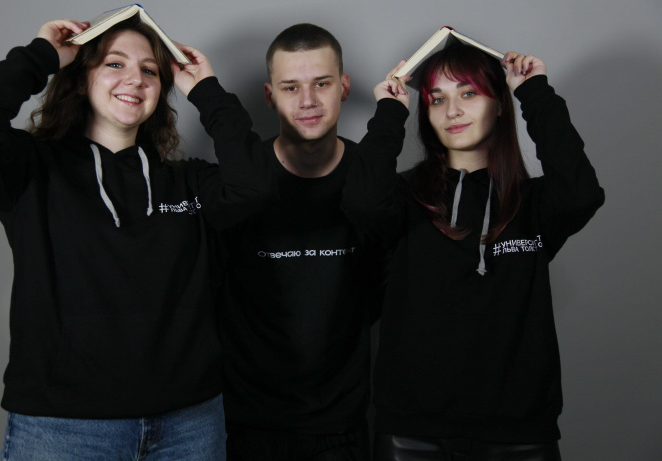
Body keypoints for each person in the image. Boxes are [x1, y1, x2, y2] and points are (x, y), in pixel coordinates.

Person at [0, 15, 272, 460]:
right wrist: (41, 56)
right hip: (64, 429)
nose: (135, 78)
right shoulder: (32, 170)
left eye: (150, 70)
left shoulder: (187, 182)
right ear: (81, 80)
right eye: (115, 64)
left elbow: (256, 186)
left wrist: (207, 91)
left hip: (188, 425)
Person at [342, 44, 605, 460]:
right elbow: (360, 202)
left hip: (520, 434)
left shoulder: (533, 203)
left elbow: (582, 193)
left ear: (499, 104)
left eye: (468, 93)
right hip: (413, 433)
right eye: (437, 99)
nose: (452, 111)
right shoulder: (403, 198)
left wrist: (534, 92)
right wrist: (390, 110)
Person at [218, 23, 382, 460]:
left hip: (342, 426)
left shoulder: (372, 180)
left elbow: (385, 289)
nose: (307, 101)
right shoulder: (237, 185)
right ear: (269, 95)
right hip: (245, 425)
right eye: (290, 87)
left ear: (344, 87)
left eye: (321, 84)